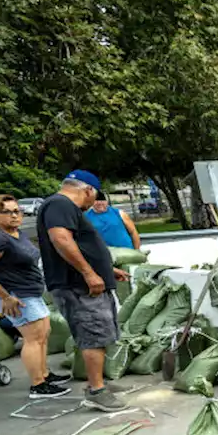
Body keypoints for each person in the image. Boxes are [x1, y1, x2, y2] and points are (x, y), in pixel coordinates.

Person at [37, 170, 130, 412]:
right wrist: (89, 273)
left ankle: (99, 383)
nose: (92, 203)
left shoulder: (62, 206)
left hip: (84, 283)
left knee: (99, 333)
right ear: (88, 190)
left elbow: (80, 244)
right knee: (93, 335)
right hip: (78, 286)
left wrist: (108, 271)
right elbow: (61, 240)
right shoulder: (60, 204)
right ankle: (96, 391)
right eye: (94, 196)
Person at [0, 195, 71, 397]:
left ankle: (44, 374)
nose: (15, 215)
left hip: (29, 292)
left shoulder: (15, 233)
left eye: (17, 211)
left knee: (43, 333)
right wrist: (5, 297)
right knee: (33, 338)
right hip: (14, 295)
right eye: (7, 212)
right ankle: (38, 385)